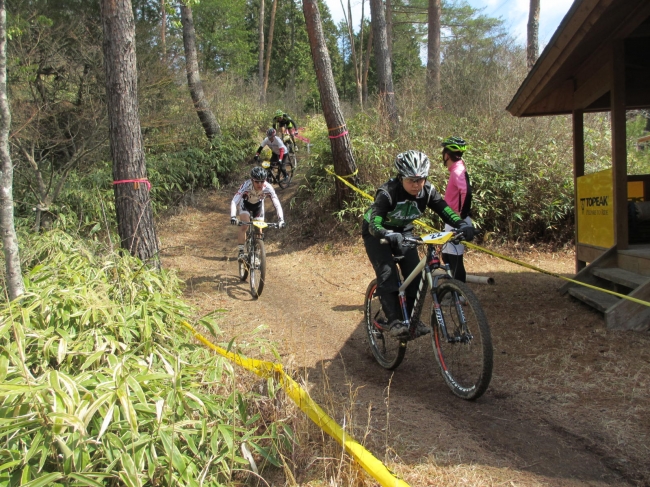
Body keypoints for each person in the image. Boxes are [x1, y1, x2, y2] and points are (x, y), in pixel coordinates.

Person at [362, 150, 476, 337]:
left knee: (415, 275)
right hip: (376, 232)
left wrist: (462, 224)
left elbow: (445, 210)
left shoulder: (427, 191)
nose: (416, 185)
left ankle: (412, 320)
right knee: (387, 272)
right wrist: (386, 233)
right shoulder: (388, 192)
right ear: (400, 178)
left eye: (421, 179)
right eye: (411, 180)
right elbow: (374, 223)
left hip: (403, 231)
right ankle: (394, 320)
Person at [230, 166, 286, 262]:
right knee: (245, 225)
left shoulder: (268, 187)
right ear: (252, 180)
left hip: (258, 206)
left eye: (262, 181)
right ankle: (241, 252)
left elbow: (276, 203)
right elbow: (234, 201)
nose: (260, 184)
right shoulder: (246, 185)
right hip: (246, 204)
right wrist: (233, 216)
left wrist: (281, 219)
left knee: (259, 230)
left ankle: (255, 254)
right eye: (257, 182)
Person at [441, 136, 473, 283]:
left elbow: (466, 191)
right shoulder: (458, 168)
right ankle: (454, 291)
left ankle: (459, 296)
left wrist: (461, 215)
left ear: (447, 155)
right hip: (451, 219)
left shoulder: (457, 171)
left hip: (456, 220)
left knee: (454, 258)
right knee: (447, 256)